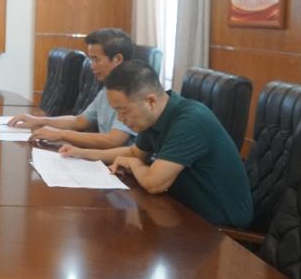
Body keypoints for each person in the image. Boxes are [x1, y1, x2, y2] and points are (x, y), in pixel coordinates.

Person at [61, 60, 253, 228]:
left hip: (218, 226)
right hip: (180, 211)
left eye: (123, 111)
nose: (120, 118)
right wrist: (81, 153)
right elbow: (135, 153)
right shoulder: (154, 117)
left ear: (150, 101)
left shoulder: (190, 121)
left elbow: (154, 183)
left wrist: (134, 165)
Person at [9, 28, 136, 149]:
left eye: (96, 60)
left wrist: (61, 134)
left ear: (117, 59)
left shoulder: (133, 91)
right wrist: (37, 120)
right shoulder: (107, 89)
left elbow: (113, 140)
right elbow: (79, 121)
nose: (92, 66)